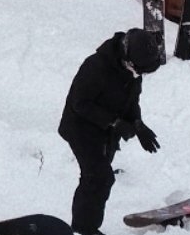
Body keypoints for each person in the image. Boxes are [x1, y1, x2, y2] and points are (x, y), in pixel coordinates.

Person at [59, 28, 163, 234]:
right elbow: (80, 103)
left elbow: (132, 100)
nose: (140, 75)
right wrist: (114, 121)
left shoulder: (132, 68)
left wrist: (138, 124)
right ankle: (84, 228)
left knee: (97, 178)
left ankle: (84, 224)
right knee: (99, 177)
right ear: (127, 57)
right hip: (81, 128)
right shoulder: (95, 67)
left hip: (107, 131)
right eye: (140, 70)